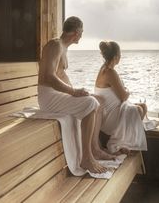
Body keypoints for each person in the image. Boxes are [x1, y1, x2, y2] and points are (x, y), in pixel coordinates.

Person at [38, 16, 112, 174]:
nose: (82, 35)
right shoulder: (55, 45)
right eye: (82, 32)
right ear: (76, 33)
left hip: (55, 94)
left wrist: (76, 92)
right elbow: (49, 77)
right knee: (90, 103)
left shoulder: (62, 47)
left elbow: (59, 75)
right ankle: (86, 158)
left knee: (97, 100)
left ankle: (95, 149)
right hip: (48, 97)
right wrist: (73, 92)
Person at [94, 41, 147, 154]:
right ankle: (123, 143)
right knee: (138, 109)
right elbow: (123, 96)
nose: (120, 57)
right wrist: (127, 90)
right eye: (120, 55)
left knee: (143, 106)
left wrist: (123, 90)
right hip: (109, 117)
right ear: (116, 57)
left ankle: (126, 141)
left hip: (111, 111)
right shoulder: (110, 72)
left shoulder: (104, 68)